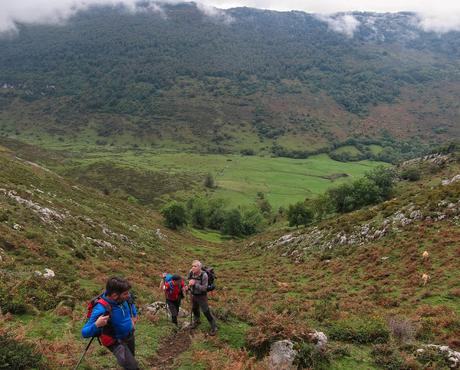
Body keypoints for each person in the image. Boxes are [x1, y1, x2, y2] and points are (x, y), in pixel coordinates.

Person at [82, 277, 139, 370]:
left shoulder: (124, 298)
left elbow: (131, 302)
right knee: (133, 367)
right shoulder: (101, 308)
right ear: (114, 295)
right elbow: (84, 332)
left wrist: (134, 316)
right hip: (115, 341)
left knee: (131, 359)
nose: (128, 295)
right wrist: (97, 324)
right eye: (125, 293)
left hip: (129, 335)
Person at [186, 260, 217, 336]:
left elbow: (204, 288)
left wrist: (194, 284)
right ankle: (196, 321)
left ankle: (214, 327)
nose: (193, 268)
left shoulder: (204, 275)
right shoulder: (191, 272)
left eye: (195, 266)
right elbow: (188, 279)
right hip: (193, 294)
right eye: (192, 266)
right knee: (194, 308)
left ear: (199, 267)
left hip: (202, 296)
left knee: (206, 311)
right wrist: (188, 286)